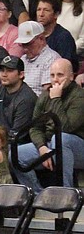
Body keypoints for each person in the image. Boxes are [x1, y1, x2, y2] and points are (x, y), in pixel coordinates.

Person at [16, 57, 84, 189]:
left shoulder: (80, 97)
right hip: (51, 145)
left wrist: (56, 99)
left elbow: (65, 127)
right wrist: (42, 148)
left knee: (61, 139)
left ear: (71, 76)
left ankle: (67, 192)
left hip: (77, 146)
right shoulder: (45, 95)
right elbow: (35, 127)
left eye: (60, 75)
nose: (55, 79)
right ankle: (36, 195)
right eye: (52, 75)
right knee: (16, 154)